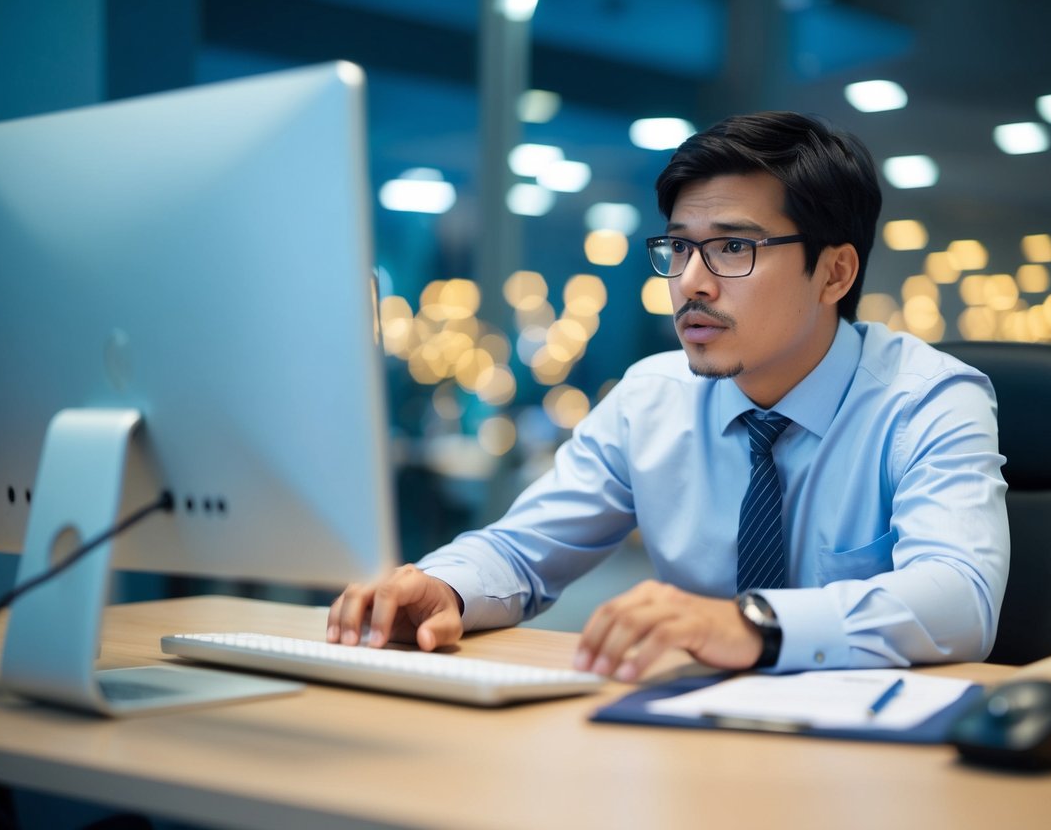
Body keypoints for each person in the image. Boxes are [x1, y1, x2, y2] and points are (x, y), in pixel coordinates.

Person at [327, 111, 1010, 682]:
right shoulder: (651, 398)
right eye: (678, 250)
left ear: (833, 272)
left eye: (732, 248)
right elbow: (520, 550)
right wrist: (442, 585)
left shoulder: (928, 400)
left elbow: (959, 597)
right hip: (693, 734)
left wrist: (750, 624)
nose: (691, 283)